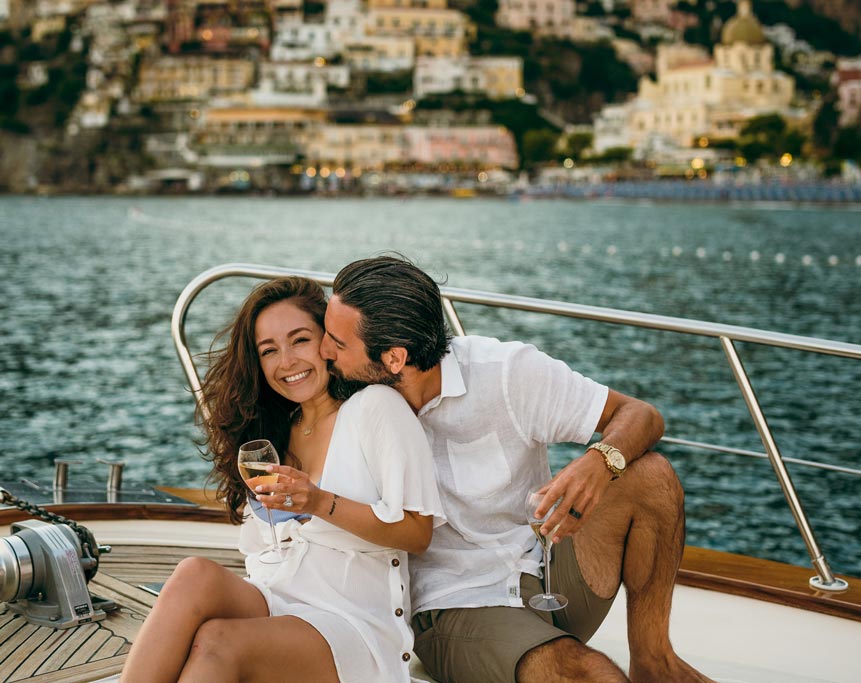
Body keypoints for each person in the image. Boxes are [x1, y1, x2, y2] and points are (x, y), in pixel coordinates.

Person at [319, 256, 716, 683]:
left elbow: (641, 415)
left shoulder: (506, 374)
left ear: (395, 357)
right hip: (454, 606)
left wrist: (599, 462)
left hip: (545, 572)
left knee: (651, 476)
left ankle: (653, 659)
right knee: (590, 676)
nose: (324, 352)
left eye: (337, 344)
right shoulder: (349, 401)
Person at [121, 276, 444, 683]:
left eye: (300, 340)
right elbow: (264, 548)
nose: (286, 361)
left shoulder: (374, 409)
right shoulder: (276, 430)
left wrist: (317, 502)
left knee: (219, 640)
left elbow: (417, 533)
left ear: (327, 343)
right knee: (193, 574)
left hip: (352, 619)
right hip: (278, 594)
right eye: (269, 350)